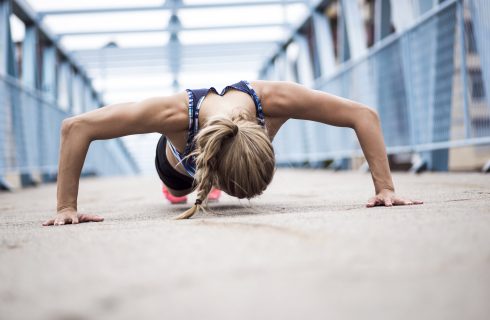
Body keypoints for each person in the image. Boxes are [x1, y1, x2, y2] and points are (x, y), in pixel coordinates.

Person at [42, 80, 422, 226]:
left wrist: (384, 188)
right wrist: (65, 207)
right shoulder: (171, 115)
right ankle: (186, 186)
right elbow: (76, 127)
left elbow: (363, 115)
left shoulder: (277, 101)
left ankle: (210, 183)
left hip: (227, 148)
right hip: (176, 166)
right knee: (179, 190)